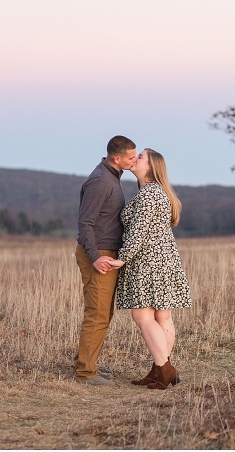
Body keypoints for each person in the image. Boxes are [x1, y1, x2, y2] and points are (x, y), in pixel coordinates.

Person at [109, 148, 192, 390]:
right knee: (162, 315)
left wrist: (122, 258)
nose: (135, 159)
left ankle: (165, 370)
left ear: (151, 167)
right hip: (163, 260)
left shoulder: (149, 195)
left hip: (148, 261)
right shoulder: (156, 192)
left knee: (142, 315)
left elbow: (138, 232)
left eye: (141, 156)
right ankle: (159, 370)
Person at [74, 135, 137, 386]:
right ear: (117, 158)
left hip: (105, 253)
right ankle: (85, 374)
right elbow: (85, 222)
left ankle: (87, 365)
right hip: (97, 254)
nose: (135, 160)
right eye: (131, 157)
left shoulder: (111, 176)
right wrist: (96, 257)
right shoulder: (101, 182)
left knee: (103, 313)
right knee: (97, 314)